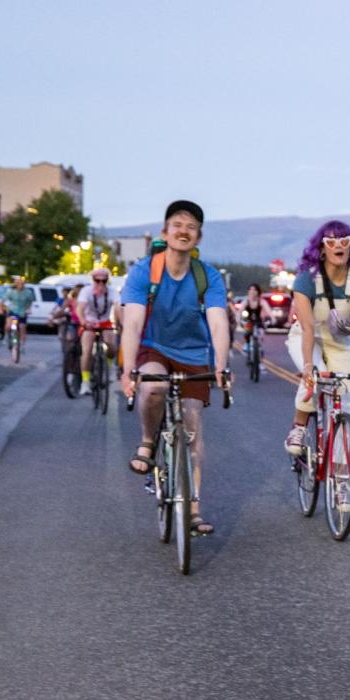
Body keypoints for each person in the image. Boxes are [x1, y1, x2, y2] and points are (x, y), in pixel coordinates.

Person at [119, 200, 233, 536]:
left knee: (193, 426)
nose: (183, 231)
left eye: (191, 227)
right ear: (165, 233)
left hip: (194, 352)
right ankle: (147, 439)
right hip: (153, 345)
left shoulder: (206, 276)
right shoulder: (145, 271)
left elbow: (218, 323)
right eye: (177, 225)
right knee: (153, 386)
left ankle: (193, 509)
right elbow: (133, 321)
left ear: (198, 238)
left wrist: (222, 367)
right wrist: (128, 371)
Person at [282, 221, 350, 454]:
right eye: (331, 241)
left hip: (340, 341)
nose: (338, 245)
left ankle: (340, 474)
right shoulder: (307, 278)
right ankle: (298, 426)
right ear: (322, 248)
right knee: (315, 376)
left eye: (344, 241)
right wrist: (307, 365)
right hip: (307, 336)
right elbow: (306, 326)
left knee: (343, 400)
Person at [77, 268, 120, 394]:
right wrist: (83, 321)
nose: (101, 284)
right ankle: (85, 382)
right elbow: (80, 308)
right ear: (93, 280)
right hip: (89, 322)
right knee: (87, 351)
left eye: (104, 281)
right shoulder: (86, 291)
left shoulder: (112, 292)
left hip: (105, 322)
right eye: (98, 280)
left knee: (112, 347)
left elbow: (118, 308)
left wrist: (120, 323)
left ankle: (109, 368)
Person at [0, 275, 34, 351]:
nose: (20, 285)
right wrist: (2, 308)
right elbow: (4, 300)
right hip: (12, 311)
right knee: (9, 325)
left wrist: (28, 309)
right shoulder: (11, 291)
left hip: (22, 312)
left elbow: (30, 301)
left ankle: (22, 345)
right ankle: (7, 336)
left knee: (22, 328)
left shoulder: (28, 292)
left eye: (21, 284)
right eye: (18, 284)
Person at [240, 282, 266, 348]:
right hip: (248, 320)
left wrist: (273, 318)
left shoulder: (261, 301)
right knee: (247, 331)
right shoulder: (246, 301)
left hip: (258, 320)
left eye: (254, 290)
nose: (252, 291)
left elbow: (268, 310)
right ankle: (247, 344)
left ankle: (260, 346)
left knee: (261, 332)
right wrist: (238, 318)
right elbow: (239, 311)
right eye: (250, 289)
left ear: (258, 292)